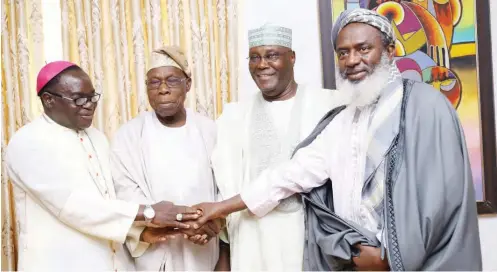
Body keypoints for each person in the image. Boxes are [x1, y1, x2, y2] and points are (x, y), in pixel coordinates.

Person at [192, 9, 482, 271]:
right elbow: (288, 176)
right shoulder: (342, 119)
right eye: (343, 53)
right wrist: (220, 208)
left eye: (363, 49)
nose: (352, 60)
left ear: (390, 51)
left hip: (407, 260)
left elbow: (442, 196)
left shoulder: (425, 105)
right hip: (354, 260)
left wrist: (392, 255)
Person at [5, 61, 200, 271]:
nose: (89, 105)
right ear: (48, 100)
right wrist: (149, 212)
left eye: (92, 97)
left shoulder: (97, 138)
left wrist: (140, 233)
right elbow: (73, 206)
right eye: (79, 99)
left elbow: (109, 200)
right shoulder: (28, 142)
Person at [211, 23, 340, 271]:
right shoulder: (234, 116)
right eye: (254, 57)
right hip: (251, 243)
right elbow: (223, 187)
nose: (261, 65)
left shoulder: (328, 104)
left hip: (312, 241)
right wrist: (224, 250)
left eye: (271, 55)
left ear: (292, 58)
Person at [110, 46, 227, 271]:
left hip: (203, 251)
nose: (163, 89)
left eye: (172, 80)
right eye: (154, 82)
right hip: (155, 254)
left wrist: (211, 222)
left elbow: (225, 185)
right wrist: (182, 223)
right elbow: (123, 190)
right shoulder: (129, 135)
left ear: (188, 84)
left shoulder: (210, 130)